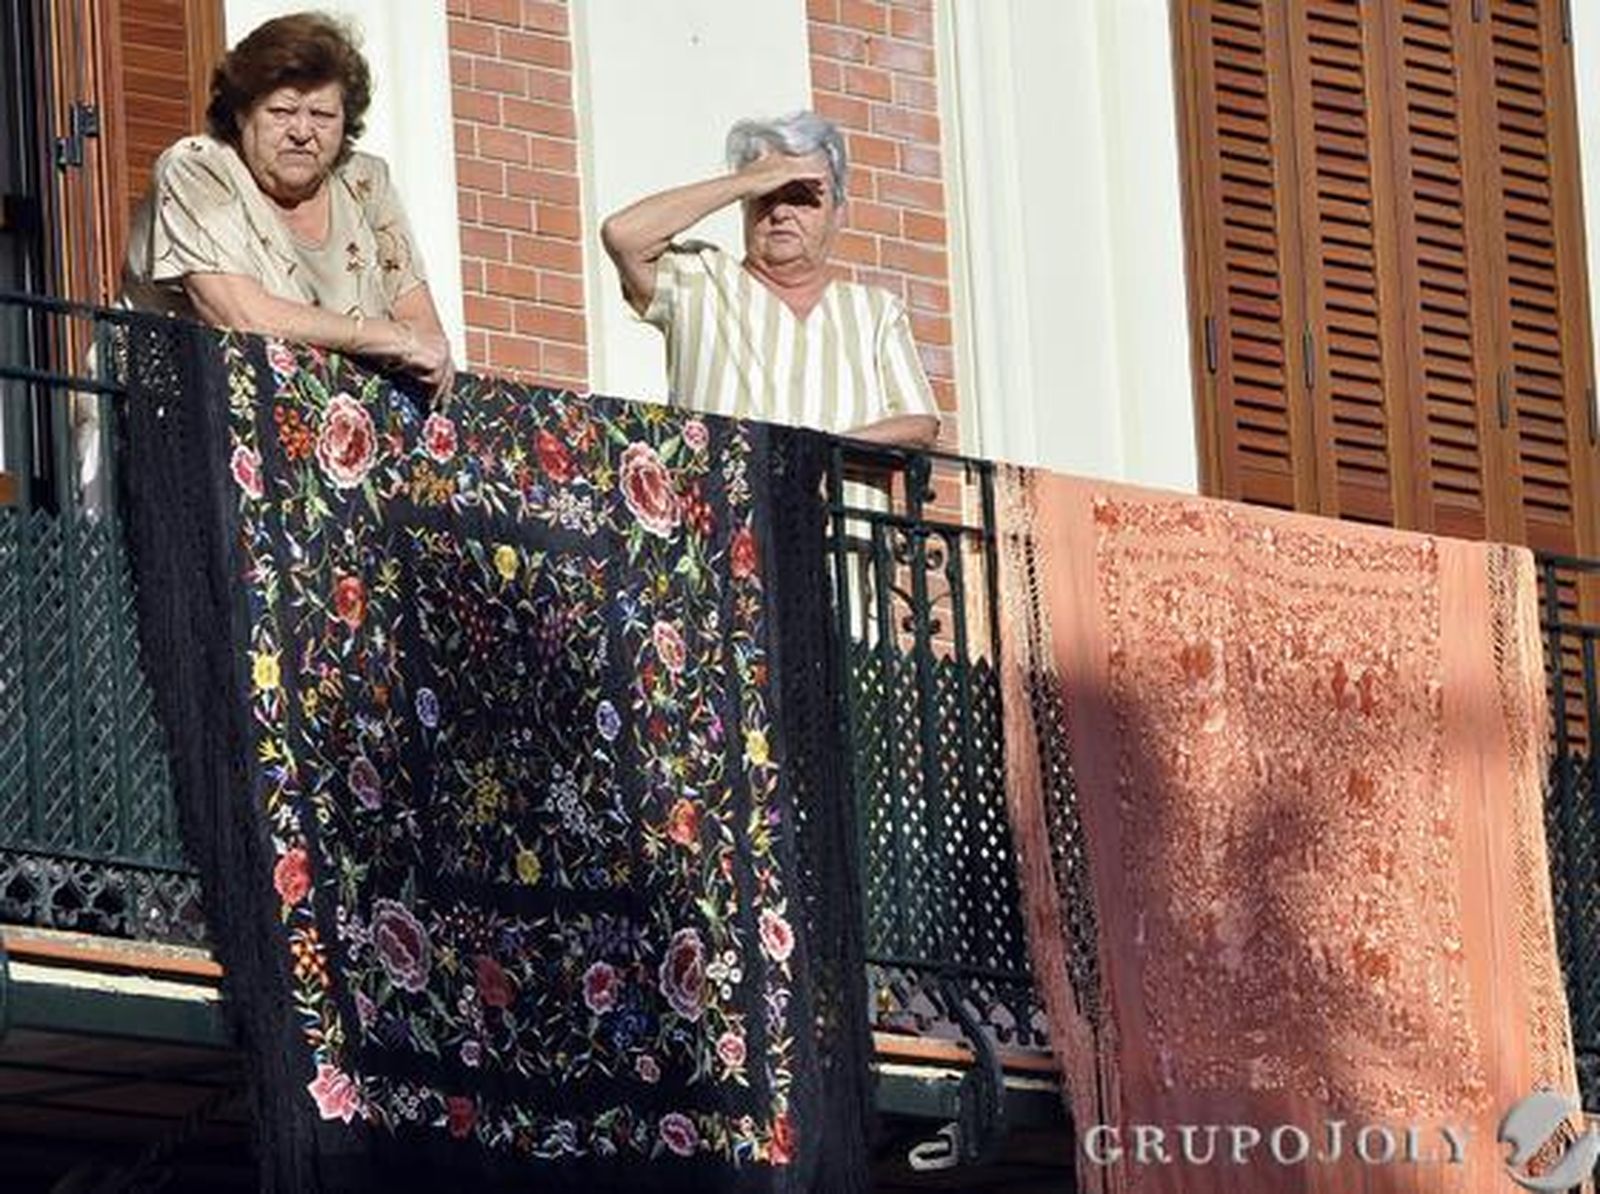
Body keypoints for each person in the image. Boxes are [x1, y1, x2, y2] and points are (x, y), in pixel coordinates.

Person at [122, 11, 454, 399]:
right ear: (241, 113)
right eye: (281, 112)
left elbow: (427, 339)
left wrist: (408, 342)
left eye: (322, 115)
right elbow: (242, 317)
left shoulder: (366, 183)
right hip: (176, 416)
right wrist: (385, 337)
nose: (301, 132)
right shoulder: (197, 169)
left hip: (322, 430)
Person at [601, 111, 940, 448]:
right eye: (766, 196)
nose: (780, 213)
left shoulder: (874, 312)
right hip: (725, 502)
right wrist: (746, 181)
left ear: (838, 214)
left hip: (838, 500)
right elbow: (623, 236)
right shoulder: (699, 280)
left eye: (800, 197)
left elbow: (920, 425)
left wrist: (814, 456)